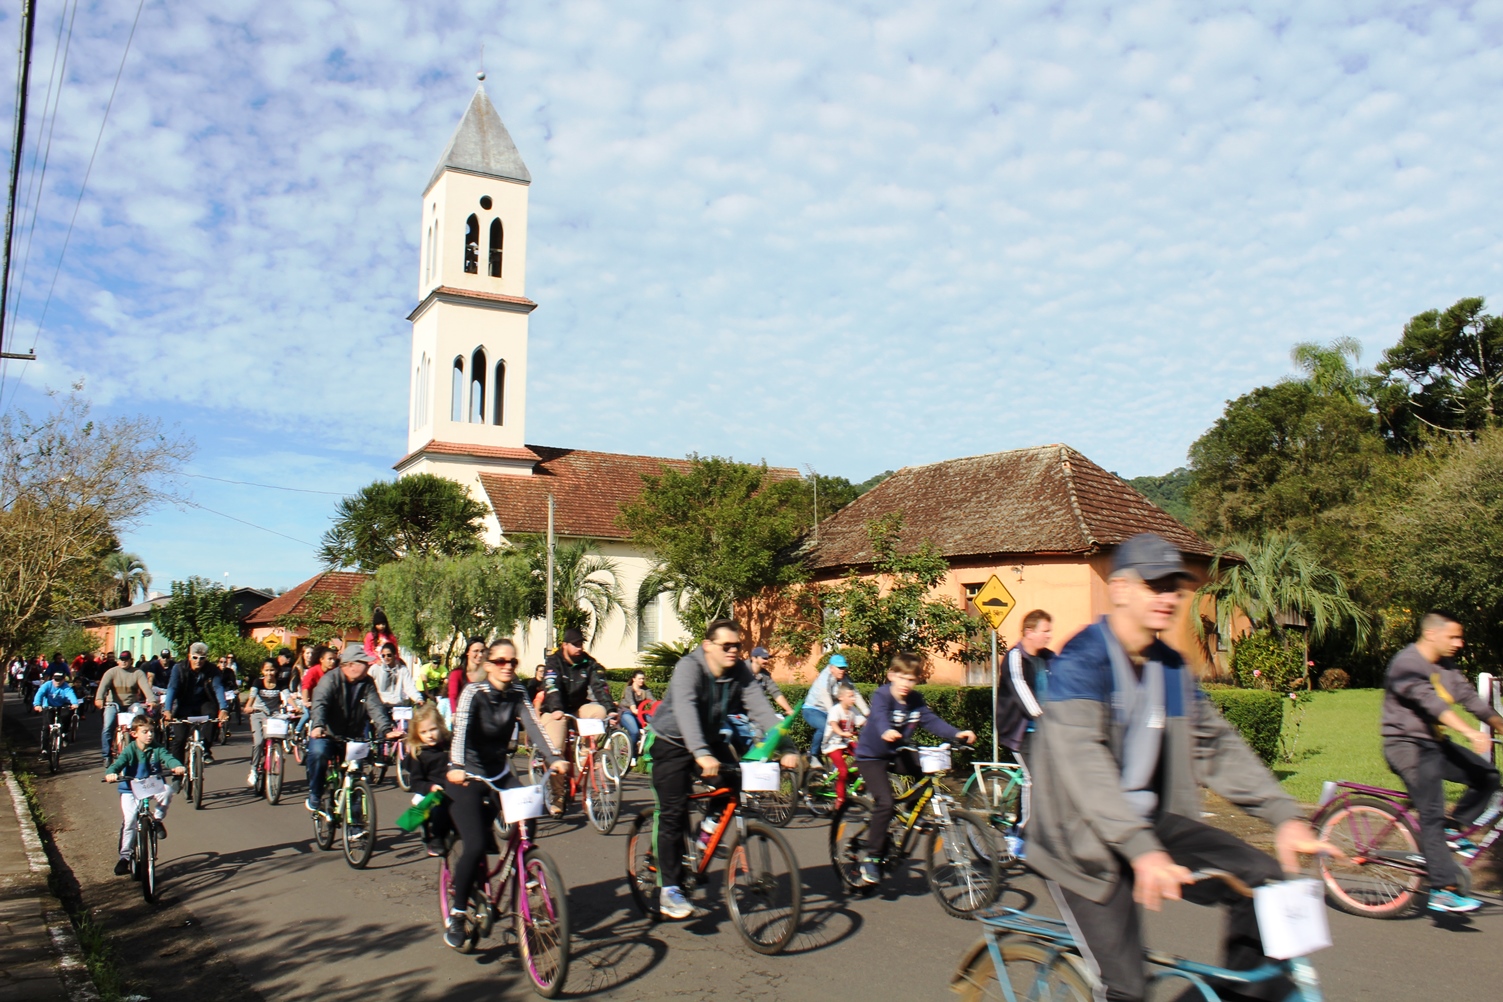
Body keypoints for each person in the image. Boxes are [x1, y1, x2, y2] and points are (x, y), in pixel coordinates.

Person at [1027, 533, 1335, 1002]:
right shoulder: (1082, 660)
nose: (1169, 597)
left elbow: (1213, 745)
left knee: (1265, 882)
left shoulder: (1169, 667)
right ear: (1122, 589)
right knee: (1128, 987)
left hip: (1146, 824)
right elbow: (1084, 761)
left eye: (1175, 586)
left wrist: (1282, 814)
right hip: (1079, 839)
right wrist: (1140, 849)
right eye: (1156, 585)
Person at [646, 618, 799, 920]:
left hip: (709, 740)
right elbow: (687, 710)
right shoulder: (689, 667)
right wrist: (701, 755)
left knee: (735, 781)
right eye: (725, 645)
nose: (732, 651)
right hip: (672, 741)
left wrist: (787, 747)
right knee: (673, 812)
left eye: (737, 646)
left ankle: (706, 832)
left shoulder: (739, 671)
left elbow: (761, 709)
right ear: (707, 646)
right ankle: (670, 890)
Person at [443, 639, 567, 948]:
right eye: (500, 661)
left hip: (499, 772)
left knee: (529, 814)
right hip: (468, 776)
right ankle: (457, 913)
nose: (507, 667)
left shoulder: (517, 693)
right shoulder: (474, 693)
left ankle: (524, 874)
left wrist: (554, 758)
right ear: (487, 665)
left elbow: (534, 727)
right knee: (473, 845)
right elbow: (460, 732)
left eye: (512, 662)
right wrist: (457, 765)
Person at [1381, 610, 1503, 914]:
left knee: (1487, 775)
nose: (1459, 643)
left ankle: (1454, 827)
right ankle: (1443, 890)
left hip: (1434, 745)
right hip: (1406, 746)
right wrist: (1467, 732)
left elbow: (1472, 701)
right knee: (1431, 811)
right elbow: (1431, 704)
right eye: (1454, 636)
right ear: (1432, 634)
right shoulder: (1406, 663)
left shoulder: (1446, 667)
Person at [854, 652, 977, 886]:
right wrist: (886, 730)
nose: (905, 684)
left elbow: (931, 721)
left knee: (928, 775)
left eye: (911, 679)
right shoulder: (882, 695)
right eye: (901, 677)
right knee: (885, 803)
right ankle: (871, 857)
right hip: (872, 756)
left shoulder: (916, 700)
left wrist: (956, 733)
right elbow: (879, 716)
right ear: (891, 675)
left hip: (898, 751)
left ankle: (910, 814)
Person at [305, 648, 402, 815]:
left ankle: (356, 825)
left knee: (355, 775)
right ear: (350, 665)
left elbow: (375, 707)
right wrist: (318, 726)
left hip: (353, 736)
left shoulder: (367, 683)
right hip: (326, 733)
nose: (367, 666)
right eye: (363, 663)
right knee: (318, 754)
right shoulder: (330, 680)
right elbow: (320, 703)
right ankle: (315, 793)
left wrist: (386, 730)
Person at [105, 716, 186, 875]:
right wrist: (111, 774)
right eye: (145, 732)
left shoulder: (157, 748)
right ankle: (125, 857)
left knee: (168, 791)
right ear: (134, 734)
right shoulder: (130, 750)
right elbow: (118, 764)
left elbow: (168, 758)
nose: (149, 735)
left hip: (152, 785)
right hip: (131, 790)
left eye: (151, 731)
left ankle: (157, 819)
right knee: (129, 821)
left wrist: (177, 766)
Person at [539, 626, 617, 753]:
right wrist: (556, 708)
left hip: (577, 710)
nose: (579, 648)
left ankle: (585, 751)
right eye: (575, 645)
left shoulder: (588, 663)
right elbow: (552, 686)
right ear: (564, 645)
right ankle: (551, 764)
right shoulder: (554, 662)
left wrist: (610, 709)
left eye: (581, 644)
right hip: (554, 711)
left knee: (600, 712)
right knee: (556, 751)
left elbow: (600, 686)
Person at [162, 642, 229, 765]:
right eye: (195, 657)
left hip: (204, 702)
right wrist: (167, 710)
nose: (198, 661)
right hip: (183, 704)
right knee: (180, 738)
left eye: (202, 658)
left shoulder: (212, 670)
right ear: (189, 656)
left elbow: (218, 687)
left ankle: (206, 749)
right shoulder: (179, 668)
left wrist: (224, 708)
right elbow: (172, 688)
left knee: (212, 716)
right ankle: (178, 770)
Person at [405, 701, 454, 857]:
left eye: (433, 729)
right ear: (417, 734)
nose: (430, 735)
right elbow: (416, 782)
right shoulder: (419, 754)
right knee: (439, 806)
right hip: (432, 791)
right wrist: (430, 787)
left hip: (452, 786)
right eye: (424, 732)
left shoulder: (449, 744)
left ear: (440, 725)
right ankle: (436, 838)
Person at [804, 654, 869, 766]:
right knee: (826, 726)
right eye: (839, 668)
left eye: (844, 668)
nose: (842, 671)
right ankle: (813, 755)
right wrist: (836, 717)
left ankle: (837, 760)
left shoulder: (845, 678)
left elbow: (855, 695)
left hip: (829, 710)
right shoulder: (824, 679)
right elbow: (827, 698)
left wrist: (868, 713)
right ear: (831, 668)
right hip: (812, 710)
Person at [95, 652, 155, 767]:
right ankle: (106, 755)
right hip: (113, 703)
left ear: (131, 660)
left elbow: (146, 688)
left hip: (131, 704)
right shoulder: (111, 672)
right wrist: (99, 699)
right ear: (118, 660)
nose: (123, 661)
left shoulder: (137, 673)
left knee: (141, 720)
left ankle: (141, 751)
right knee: (108, 726)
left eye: (126, 659)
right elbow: (102, 687)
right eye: (121, 659)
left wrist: (152, 700)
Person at [243, 661, 295, 788]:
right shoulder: (258, 682)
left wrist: (295, 707)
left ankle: (276, 754)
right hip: (258, 714)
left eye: (272, 670)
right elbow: (252, 696)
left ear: (276, 671)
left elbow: (287, 697)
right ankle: (253, 770)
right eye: (266, 670)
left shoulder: (281, 683)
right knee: (259, 742)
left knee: (279, 736)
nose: (269, 673)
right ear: (262, 671)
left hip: (274, 715)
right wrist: (249, 706)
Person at [822, 681, 866, 810]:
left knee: (865, 757)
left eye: (854, 696)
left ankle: (853, 776)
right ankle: (840, 798)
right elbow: (834, 724)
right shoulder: (836, 710)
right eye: (850, 696)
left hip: (846, 742)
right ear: (841, 697)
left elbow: (864, 722)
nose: (853, 699)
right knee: (842, 770)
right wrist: (841, 732)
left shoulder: (853, 710)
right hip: (832, 744)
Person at [33, 670, 83, 750]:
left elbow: (71, 694)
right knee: (46, 727)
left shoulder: (66, 686)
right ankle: (44, 750)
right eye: (56, 679)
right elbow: (40, 694)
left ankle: (64, 733)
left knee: (67, 715)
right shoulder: (47, 685)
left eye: (60, 680)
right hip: (48, 706)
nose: (58, 682)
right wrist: (37, 704)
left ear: (64, 679)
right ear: (53, 678)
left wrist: (74, 703)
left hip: (61, 706)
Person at [371, 642, 422, 708]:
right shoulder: (376, 668)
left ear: (394, 655)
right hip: (381, 706)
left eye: (389, 655)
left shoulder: (402, 669)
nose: (386, 658)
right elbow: (367, 683)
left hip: (397, 705)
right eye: (383, 655)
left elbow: (409, 687)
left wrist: (418, 699)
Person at [616, 669, 656, 753]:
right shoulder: (629, 689)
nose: (642, 680)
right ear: (634, 679)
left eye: (643, 678)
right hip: (627, 712)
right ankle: (632, 754)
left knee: (656, 723)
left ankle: (646, 746)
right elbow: (632, 705)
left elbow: (653, 702)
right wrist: (636, 710)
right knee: (634, 732)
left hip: (640, 713)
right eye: (639, 679)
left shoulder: (645, 690)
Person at [447, 637, 488, 716]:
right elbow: (453, 697)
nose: (480, 655)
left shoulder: (489, 673)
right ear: (467, 652)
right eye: (475, 651)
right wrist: (455, 714)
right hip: (463, 716)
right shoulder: (457, 674)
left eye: (482, 651)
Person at [748, 647, 794, 715]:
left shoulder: (765, 675)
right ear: (754, 658)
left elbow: (775, 692)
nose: (767, 661)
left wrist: (789, 710)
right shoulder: (743, 670)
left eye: (767, 658)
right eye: (764, 658)